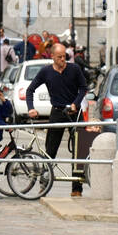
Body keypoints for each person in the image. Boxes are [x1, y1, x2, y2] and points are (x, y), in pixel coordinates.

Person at [27, 42, 88, 196]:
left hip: (74, 112)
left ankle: (76, 188)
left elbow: (83, 88)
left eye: (64, 57)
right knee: (50, 150)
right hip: (57, 112)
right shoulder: (46, 72)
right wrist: (31, 108)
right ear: (52, 56)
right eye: (59, 57)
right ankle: (44, 185)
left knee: (78, 151)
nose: (63, 59)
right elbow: (30, 90)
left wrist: (76, 103)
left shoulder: (74, 69)